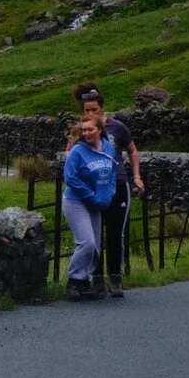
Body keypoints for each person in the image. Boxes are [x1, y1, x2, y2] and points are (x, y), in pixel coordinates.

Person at [75, 82, 143, 298]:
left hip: (117, 184)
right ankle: (95, 279)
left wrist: (137, 176)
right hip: (93, 188)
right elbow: (71, 154)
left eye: (94, 109)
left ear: (102, 108)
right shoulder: (82, 130)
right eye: (86, 110)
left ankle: (115, 278)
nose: (90, 113)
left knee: (115, 233)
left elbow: (132, 151)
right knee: (94, 235)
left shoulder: (117, 127)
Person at [59, 114, 118, 302]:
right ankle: (73, 281)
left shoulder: (108, 148)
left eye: (90, 129)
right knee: (87, 242)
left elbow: (112, 172)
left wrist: (110, 192)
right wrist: (90, 195)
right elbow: (70, 178)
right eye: (84, 130)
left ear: (99, 130)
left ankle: (85, 283)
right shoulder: (77, 151)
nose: (87, 133)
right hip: (76, 201)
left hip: (97, 202)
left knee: (95, 248)